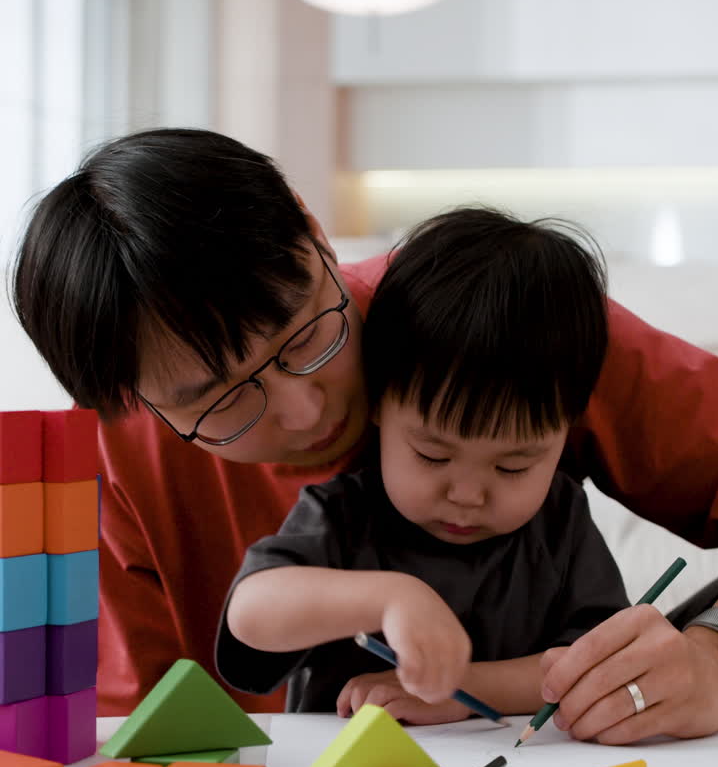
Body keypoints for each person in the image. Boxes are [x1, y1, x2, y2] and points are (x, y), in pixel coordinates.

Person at [11, 127, 718, 742]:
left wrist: (710, 659)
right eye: (222, 398)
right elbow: (128, 737)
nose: (302, 411)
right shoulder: (109, 464)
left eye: (304, 332)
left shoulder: (503, 324)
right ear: (131, 400)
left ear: (313, 230)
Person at [219, 207, 630, 721]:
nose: (467, 494)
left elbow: (593, 666)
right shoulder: (343, 516)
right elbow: (251, 614)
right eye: (432, 455)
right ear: (378, 405)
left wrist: (462, 690)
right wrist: (391, 598)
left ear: (564, 431)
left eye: (513, 467)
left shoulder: (560, 523)